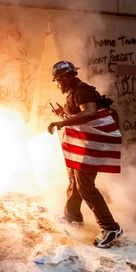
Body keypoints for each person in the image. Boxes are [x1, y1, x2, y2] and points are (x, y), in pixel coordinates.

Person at [47, 60, 123, 249]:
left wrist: (61, 123)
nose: (57, 84)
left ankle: (110, 227)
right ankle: (72, 216)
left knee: (86, 186)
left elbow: (89, 113)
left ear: (64, 77)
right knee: (75, 180)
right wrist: (62, 114)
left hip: (89, 148)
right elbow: (79, 118)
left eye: (57, 80)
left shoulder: (82, 90)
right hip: (81, 147)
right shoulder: (75, 92)